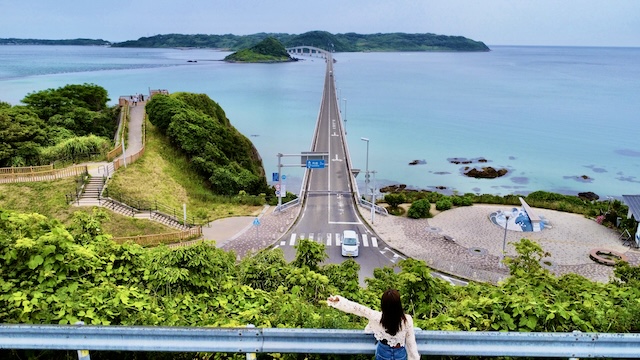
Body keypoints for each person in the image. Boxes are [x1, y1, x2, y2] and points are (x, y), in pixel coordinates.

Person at [327, 289, 419, 360]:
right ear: (399, 305)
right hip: (400, 353)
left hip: (383, 352)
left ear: (383, 305)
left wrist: (338, 301)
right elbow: (411, 344)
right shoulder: (407, 320)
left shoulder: (377, 317)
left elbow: (357, 308)